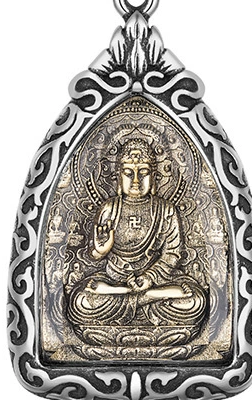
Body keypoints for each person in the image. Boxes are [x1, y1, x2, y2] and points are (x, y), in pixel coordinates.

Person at [67, 139, 207, 331]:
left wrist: (149, 278)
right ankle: (143, 298)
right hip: (115, 278)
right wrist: (100, 251)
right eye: (128, 173)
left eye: (143, 173)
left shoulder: (166, 210)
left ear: (154, 177)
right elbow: (93, 254)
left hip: (156, 281)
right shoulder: (109, 208)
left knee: (196, 302)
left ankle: (139, 297)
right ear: (118, 177)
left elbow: (172, 254)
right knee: (80, 301)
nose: (135, 181)